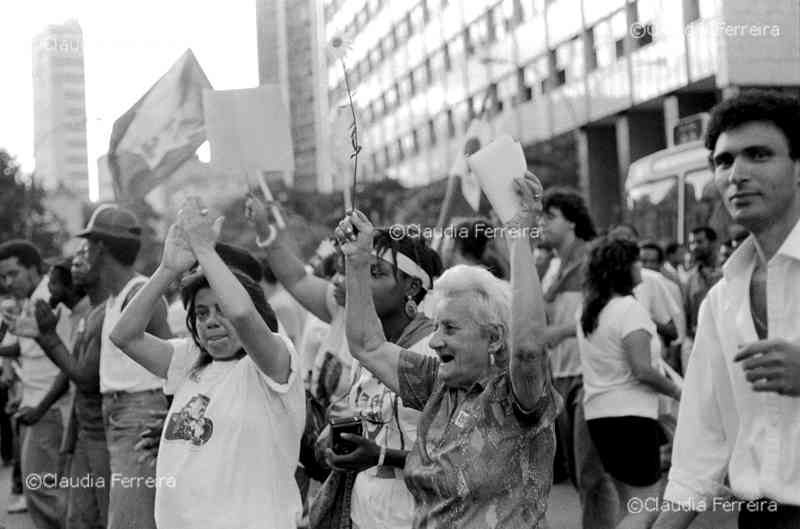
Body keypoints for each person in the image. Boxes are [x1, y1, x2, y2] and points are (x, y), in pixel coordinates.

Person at [337, 173, 561, 528]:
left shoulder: (516, 399)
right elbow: (367, 345)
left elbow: (529, 349)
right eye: (437, 326)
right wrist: (358, 262)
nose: (436, 340)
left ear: (495, 339)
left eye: (451, 329)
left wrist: (518, 235)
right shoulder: (435, 385)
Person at [247, 195, 444, 529]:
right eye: (359, 270)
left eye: (376, 272)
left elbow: (453, 454)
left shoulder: (436, 348)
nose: (359, 282)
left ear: (413, 286)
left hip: (417, 516)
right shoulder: (355, 330)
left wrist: (380, 456)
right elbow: (294, 278)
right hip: (358, 512)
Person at [652, 90, 800, 529]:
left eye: (758, 154)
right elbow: (703, 435)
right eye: (723, 161)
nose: (737, 173)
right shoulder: (722, 299)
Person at [110, 197, 304, 528]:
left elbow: (242, 314)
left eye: (220, 310)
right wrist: (167, 269)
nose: (210, 322)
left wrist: (205, 251)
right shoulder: (190, 361)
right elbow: (124, 336)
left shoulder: (273, 361)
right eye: (201, 313)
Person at [75, 204, 171, 529]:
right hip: (117, 414)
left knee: (131, 520)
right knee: (123, 515)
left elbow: (172, 361)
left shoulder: (139, 294)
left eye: (88, 245)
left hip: (137, 414)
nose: (84, 252)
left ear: (100, 248)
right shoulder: (116, 298)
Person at [577, 236, 682, 529]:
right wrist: (678, 391)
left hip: (599, 417)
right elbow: (642, 370)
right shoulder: (629, 309)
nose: (641, 266)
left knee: (631, 505)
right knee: (646, 508)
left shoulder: (588, 312)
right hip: (632, 418)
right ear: (623, 267)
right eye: (636, 260)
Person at [26, 253, 110, 529]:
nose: (49, 289)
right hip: (85, 426)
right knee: (80, 515)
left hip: (101, 429)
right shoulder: (79, 314)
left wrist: (46, 336)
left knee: (100, 513)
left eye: (53, 282)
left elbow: (81, 376)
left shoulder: (94, 313)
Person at [0, 240, 72, 529]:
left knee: (42, 490)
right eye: (3, 277)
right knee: (38, 489)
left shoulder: (50, 299)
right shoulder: (30, 300)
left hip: (50, 408)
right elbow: (26, 349)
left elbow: (68, 358)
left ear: (33, 269)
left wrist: (41, 407)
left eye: (13, 274)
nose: (8, 282)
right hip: (34, 403)